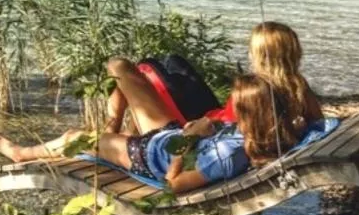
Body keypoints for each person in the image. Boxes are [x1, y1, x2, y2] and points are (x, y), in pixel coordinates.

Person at [0, 74, 300, 193]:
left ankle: (23, 154)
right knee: (119, 68)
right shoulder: (262, 134)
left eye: (237, 106)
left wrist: (191, 137)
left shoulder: (229, 155)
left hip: (147, 154)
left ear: (250, 114)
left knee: (73, 137)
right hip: (168, 135)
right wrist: (208, 129)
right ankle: (108, 134)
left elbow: (173, 184)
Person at [103, 21, 323, 134]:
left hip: (195, 130)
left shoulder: (253, 92)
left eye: (251, 50)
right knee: (172, 63)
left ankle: (109, 133)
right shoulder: (297, 87)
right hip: (211, 116)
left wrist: (193, 130)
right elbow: (318, 122)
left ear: (258, 55)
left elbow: (221, 129)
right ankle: (121, 132)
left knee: (124, 67)